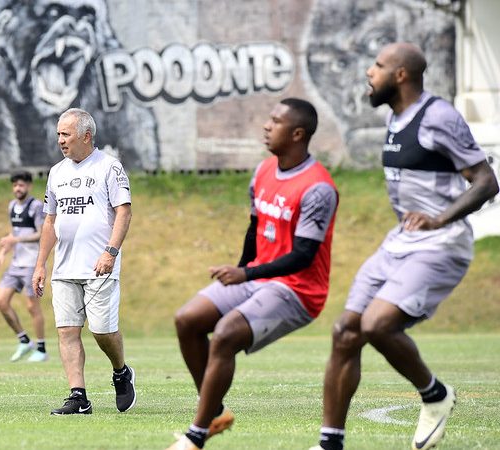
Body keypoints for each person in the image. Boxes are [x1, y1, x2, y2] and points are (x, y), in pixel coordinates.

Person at [311, 43, 499, 450]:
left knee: (377, 324)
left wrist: (440, 217)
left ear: (400, 75)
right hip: (402, 241)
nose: (369, 72)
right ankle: (330, 444)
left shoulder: (439, 116)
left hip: (442, 244)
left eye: (378, 66)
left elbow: (487, 181)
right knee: (346, 331)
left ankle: (434, 395)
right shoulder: (397, 118)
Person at [169, 98, 339, 450]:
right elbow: (255, 228)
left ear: (297, 134)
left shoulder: (318, 187)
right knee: (187, 320)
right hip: (257, 278)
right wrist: (242, 270)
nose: (266, 125)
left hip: (298, 291)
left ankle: (195, 436)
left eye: (275, 121)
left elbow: (304, 257)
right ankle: (214, 411)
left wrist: (245, 274)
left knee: (226, 335)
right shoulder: (262, 172)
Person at [32, 108, 136, 415]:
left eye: (66, 134)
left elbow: (124, 212)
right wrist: (41, 264)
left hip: (99, 266)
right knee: (66, 331)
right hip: (65, 268)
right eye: (58, 135)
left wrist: (111, 252)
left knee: (102, 332)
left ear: (86, 136)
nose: (61, 141)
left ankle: (121, 371)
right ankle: (78, 397)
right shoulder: (57, 172)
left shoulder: (109, 167)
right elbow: (50, 222)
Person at [0, 170, 48, 362]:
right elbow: (12, 233)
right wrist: (2, 254)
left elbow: (41, 233)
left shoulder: (36, 206)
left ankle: (41, 349)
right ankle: (24, 340)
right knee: (1, 302)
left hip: (33, 263)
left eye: (21, 185)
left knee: (32, 306)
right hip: (16, 263)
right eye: (15, 185)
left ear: (29, 186)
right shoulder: (12, 207)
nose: (18, 188)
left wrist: (17, 239)